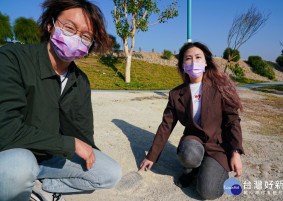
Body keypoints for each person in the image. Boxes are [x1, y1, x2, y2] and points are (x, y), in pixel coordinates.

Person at [0, 0, 121, 200]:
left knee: (110, 172)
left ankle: (41, 188)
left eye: (85, 36)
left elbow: (83, 136)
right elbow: (5, 130)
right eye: (69, 28)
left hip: (51, 158)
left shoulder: (80, 80)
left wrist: (87, 150)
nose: (76, 38)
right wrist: (69, 145)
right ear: (51, 25)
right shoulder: (13, 58)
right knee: (18, 167)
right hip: (14, 152)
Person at [139, 42, 244, 200]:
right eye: (188, 58)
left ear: (206, 61)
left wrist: (235, 152)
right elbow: (166, 126)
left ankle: (210, 168)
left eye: (198, 57)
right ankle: (190, 171)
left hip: (218, 145)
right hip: (193, 141)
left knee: (208, 191)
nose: (194, 62)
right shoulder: (176, 94)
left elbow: (233, 121)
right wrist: (151, 156)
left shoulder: (221, 87)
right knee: (189, 154)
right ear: (182, 64)